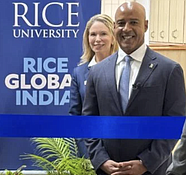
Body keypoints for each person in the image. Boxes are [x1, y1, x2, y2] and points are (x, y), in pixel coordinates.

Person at [82, 2, 186, 175]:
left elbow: (174, 123)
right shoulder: (97, 72)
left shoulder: (169, 70)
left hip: (152, 170)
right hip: (107, 170)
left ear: (145, 25)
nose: (126, 28)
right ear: (114, 27)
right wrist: (101, 160)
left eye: (134, 22)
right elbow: (89, 121)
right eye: (121, 23)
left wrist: (146, 163)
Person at [69, 14, 118, 158]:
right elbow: (75, 116)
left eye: (103, 34)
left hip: (121, 151)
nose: (97, 39)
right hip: (90, 152)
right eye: (93, 34)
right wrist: (86, 152)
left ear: (113, 37)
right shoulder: (79, 73)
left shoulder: (125, 68)